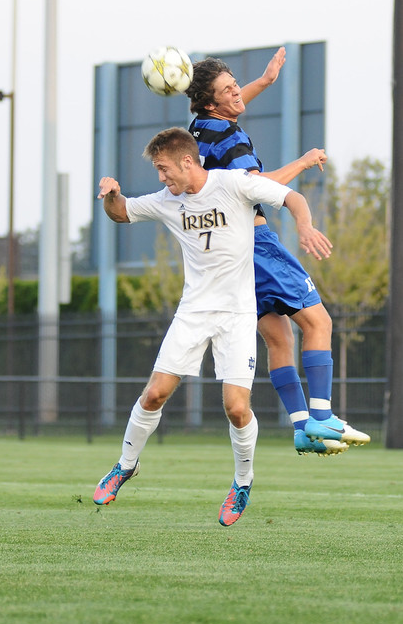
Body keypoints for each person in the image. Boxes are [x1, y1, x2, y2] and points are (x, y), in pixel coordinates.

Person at [92, 127, 332, 526]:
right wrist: (112, 194)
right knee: (154, 394)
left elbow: (292, 197)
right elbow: (121, 212)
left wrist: (304, 226)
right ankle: (125, 465)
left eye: (164, 169)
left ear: (188, 161)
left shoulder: (233, 184)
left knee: (237, 409)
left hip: (238, 315)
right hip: (193, 312)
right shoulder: (167, 200)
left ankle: (242, 483)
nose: (161, 178)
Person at [185, 49, 369, 456]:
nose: (237, 94)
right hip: (257, 245)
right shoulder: (229, 137)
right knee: (319, 323)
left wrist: (265, 80)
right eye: (228, 91)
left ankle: (302, 427)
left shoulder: (200, 126)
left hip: (229, 254)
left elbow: (232, 102)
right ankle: (322, 416)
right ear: (211, 103)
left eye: (236, 85)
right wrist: (303, 163)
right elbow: (258, 184)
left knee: (279, 338)